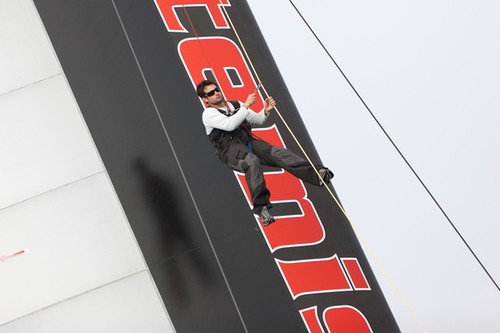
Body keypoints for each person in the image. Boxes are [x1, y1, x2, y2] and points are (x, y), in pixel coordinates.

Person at [197, 80, 333, 226]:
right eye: (211, 93)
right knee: (252, 161)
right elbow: (229, 125)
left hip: (246, 142)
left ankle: (317, 175)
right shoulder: (209, 114)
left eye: (216, 89)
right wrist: (246, 106)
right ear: (206, 99)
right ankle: (261, 208)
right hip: (230, 152)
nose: (217, 93)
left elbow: (258, 119)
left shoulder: (235, 105)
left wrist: (265, 110)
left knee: (278, 152)